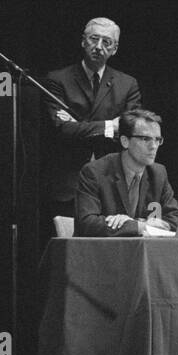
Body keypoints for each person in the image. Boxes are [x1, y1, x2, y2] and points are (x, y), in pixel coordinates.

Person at [43, 17, 142, 218]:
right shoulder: (57, 79)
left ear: (115, 48)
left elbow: (129, 131)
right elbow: (62, 129)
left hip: (112, 182)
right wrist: (109, 126)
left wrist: (79, 126)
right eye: (93, 39)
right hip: (68, 184)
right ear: (83, 41)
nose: (98, 47)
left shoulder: (127, 84)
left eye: (106, 42)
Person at [74, 109, 178, 236]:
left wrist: (139, 224)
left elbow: (177, 220)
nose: (154, 146)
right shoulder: (95, 172)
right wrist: (138, 226)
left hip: (141, 251)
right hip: (102, 252)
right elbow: (87, 223)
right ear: (125, 141)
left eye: (157, 139)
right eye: (145, 139)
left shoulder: (158, 173)